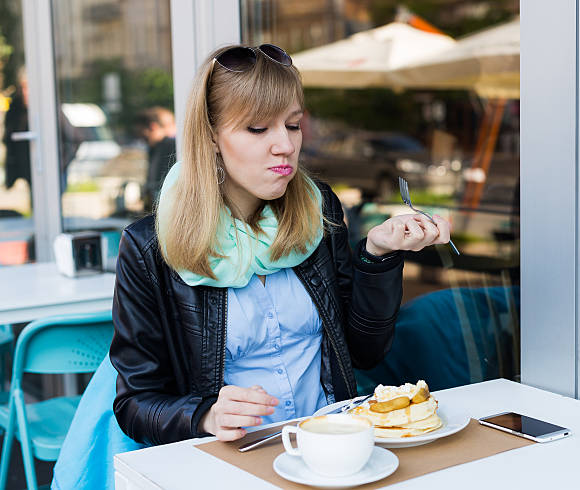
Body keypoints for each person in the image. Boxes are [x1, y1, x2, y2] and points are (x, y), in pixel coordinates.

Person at [52, 43, 450, 489]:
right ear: (211, 137)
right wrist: (205, 415)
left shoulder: (320, 210)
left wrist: (377, 256)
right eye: (258, 128)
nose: (285, 145)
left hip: (327, 451)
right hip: (228, 463)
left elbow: (365, 352)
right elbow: (135, 405)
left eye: (294, 124)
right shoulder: (149, 246)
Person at [134, 106, 177, 211]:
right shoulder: (156, 148)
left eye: (142, 133)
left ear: (153, 127)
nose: (141, 139)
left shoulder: (169, 146)